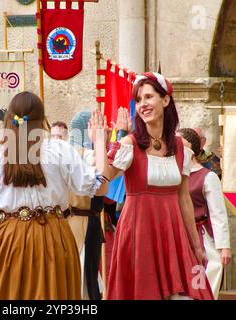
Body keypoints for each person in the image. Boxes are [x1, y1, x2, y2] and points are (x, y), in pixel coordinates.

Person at [0, 91, 109, 300]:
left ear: (9, 119)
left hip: (9, 241)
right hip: (53, 236)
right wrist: (99, 141)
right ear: (42, 121)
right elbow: (99, 187)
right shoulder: (60, 150)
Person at [89, 72, 214, 300]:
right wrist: (99, 142)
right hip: (139, 234)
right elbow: (100, 185)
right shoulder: (129, 144)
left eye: (148, 97)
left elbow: (184, 198)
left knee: (191, 294)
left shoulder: (180, 146)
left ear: (165, 100)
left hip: (174, 235)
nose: (142, 104)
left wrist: (196, 245)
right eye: (138, 100)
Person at [177, 128, 231, 299]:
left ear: (190, 148)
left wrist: (224, 247)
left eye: (179, 143)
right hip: (177, 236)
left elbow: (218, 213)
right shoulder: (173, 175)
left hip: (200, 237)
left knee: (199, 284)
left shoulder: (207, 177)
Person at [66, 111, 105, 300]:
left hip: (82, 222)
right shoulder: (86, 155)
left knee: (85, 278)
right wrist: (100, 142)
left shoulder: (64, 154)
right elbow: (103, 178)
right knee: (82, 281)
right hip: (82, 224)